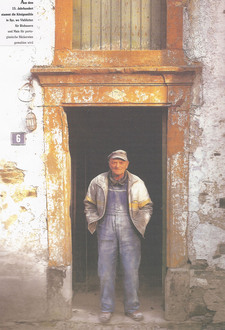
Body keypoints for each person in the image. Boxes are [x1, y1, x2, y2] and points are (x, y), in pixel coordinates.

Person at [84, 149, 153, 323]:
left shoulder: (137, 182)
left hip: (130, 230)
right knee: (105, 271)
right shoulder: (98, 181)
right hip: (106, 228)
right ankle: (106, 309)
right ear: (109, 163)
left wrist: (140, 223)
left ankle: (132, 308)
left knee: (131, 271)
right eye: (114, 162)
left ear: (127, 164)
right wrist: (95, 221)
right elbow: (88, 204)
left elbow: (147, 206)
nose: (117, 165)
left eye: (121, 162)